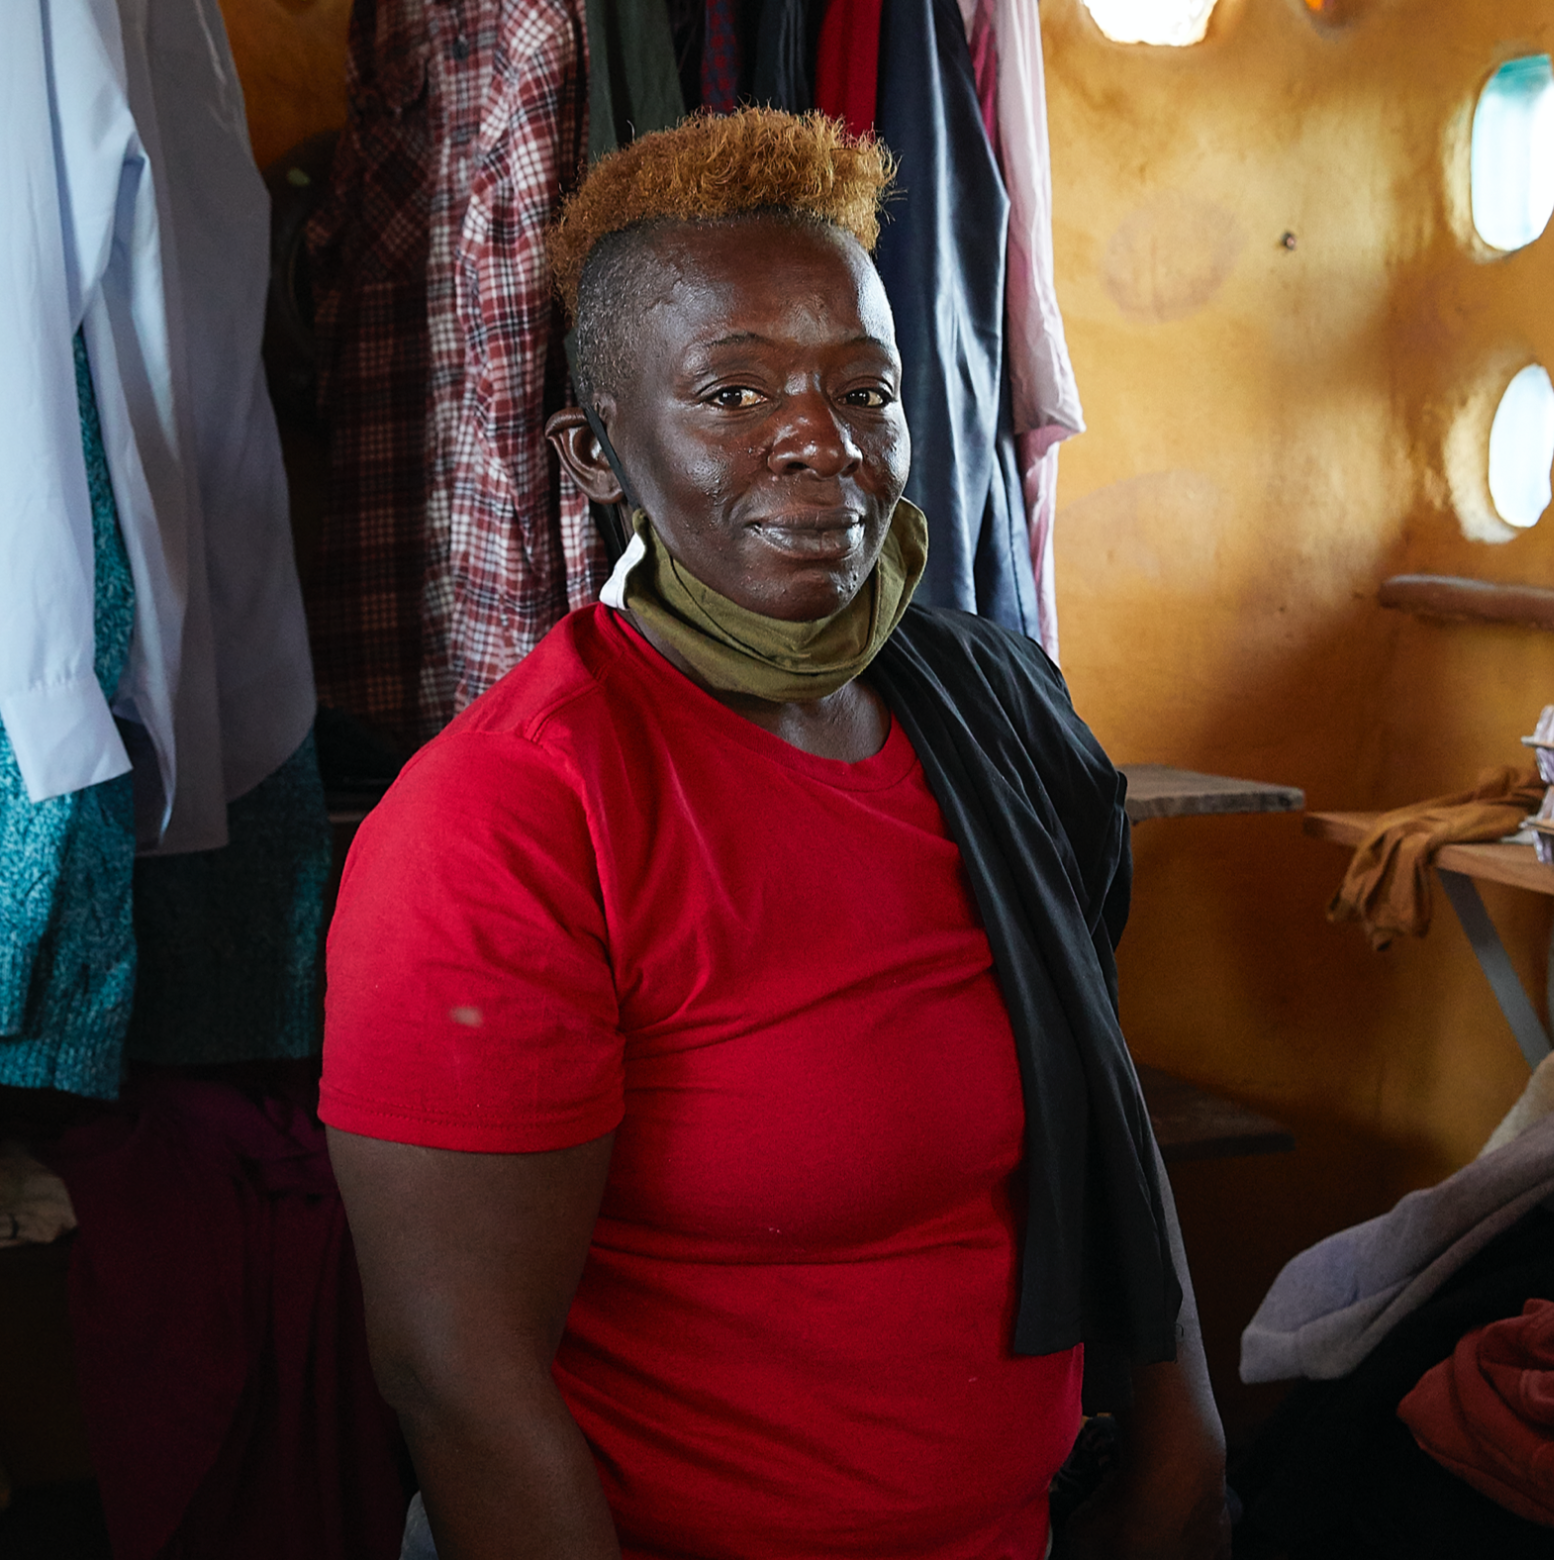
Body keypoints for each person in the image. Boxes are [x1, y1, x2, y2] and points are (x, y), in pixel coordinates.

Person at [321, 108, 1229, 1560]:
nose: (818, 442)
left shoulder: (991, 709)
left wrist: (1184, 1442)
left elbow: (1090, 1100)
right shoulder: (512, 820)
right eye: (731, 394)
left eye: (862, 391)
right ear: (594, 451)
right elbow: (457, 1375)